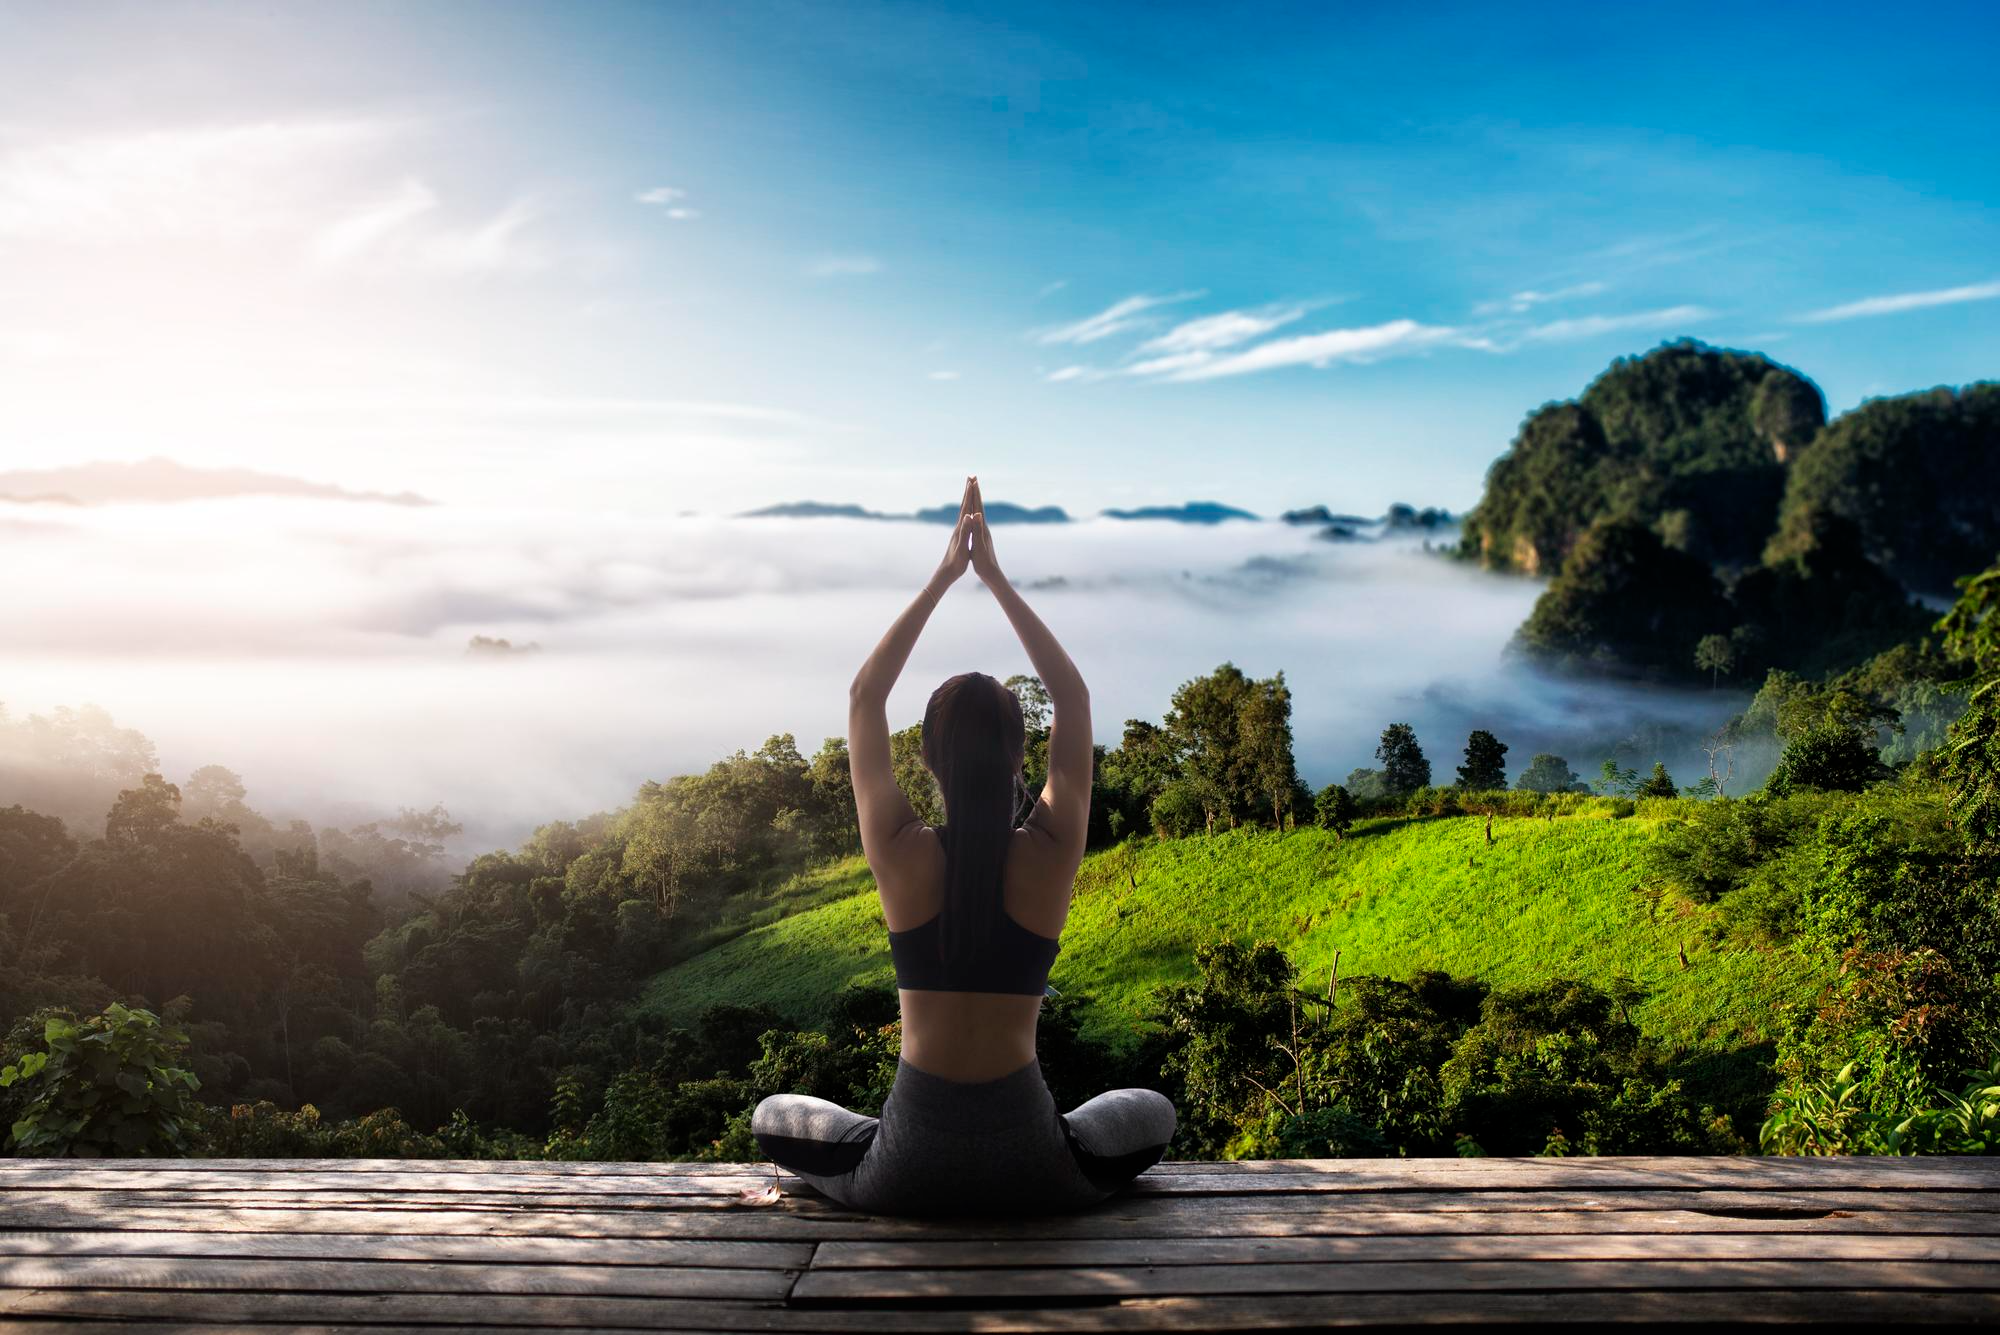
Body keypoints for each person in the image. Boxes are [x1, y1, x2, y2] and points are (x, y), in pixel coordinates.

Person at [750, 475, 1177, 1216]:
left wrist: (946, 573)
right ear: (1021, 758)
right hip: (1036, 1164)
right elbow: (1072, 696)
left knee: (772, 1113)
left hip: (909, 1162)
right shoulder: (1049, 852)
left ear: (928, 760)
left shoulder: (900, 849)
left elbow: (863, 699)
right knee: (1151, 1107)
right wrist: (996, 579)